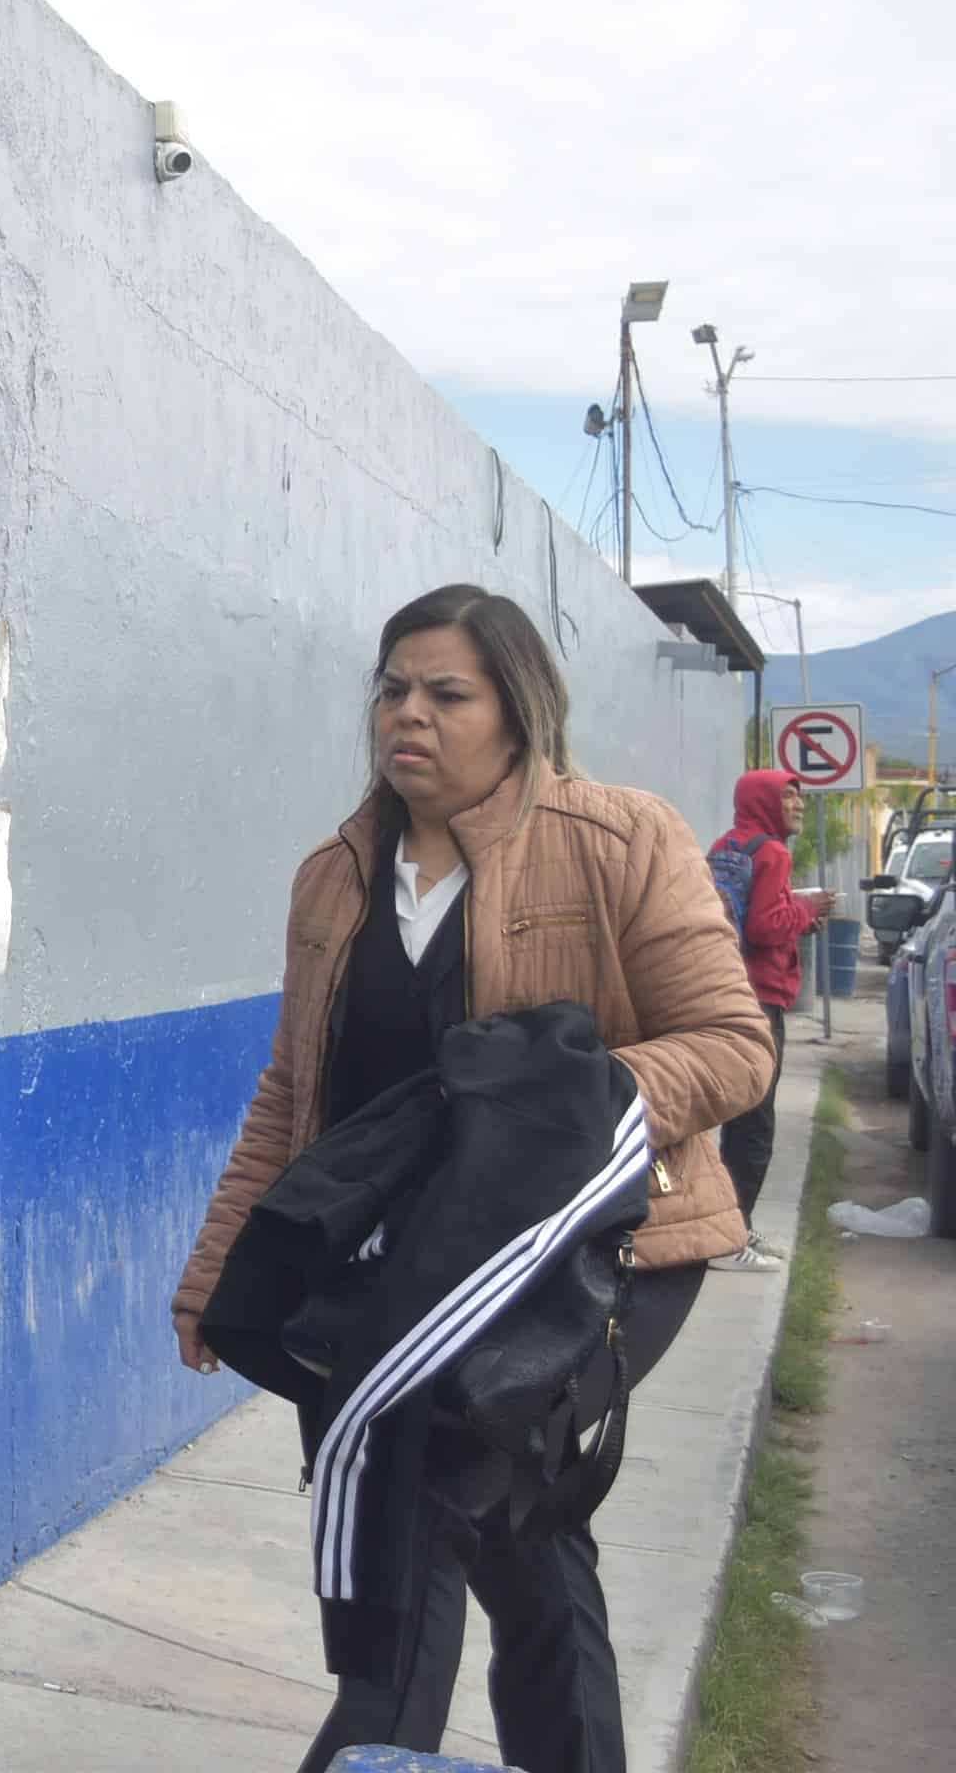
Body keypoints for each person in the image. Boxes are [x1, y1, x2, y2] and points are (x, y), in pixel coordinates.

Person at [171, 584, 772, 1773]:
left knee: (431, 1499)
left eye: (447, 693)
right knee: (527, 1547)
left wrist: (547, 1112)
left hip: (586, 1256)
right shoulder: (333, 878)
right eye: (391, 688)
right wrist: (214, 1268)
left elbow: (731, 1044)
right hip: (389, 1279)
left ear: (520, 710)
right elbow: (292, 1097)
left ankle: (371, 1747)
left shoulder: (618, 839)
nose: (409, 714)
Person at [703, 769, 834, 1270]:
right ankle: (728, 1240)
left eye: (800, 796)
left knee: (738, 1117)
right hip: (762, 997)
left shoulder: (729, 843)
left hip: (730, 989)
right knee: (755, 1125)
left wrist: (796, 912)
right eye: (788, 796)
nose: (797, 805)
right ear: (764, 801)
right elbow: (764, 925)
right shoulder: (775, 853)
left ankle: (734, 1227)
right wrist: (808, 911)